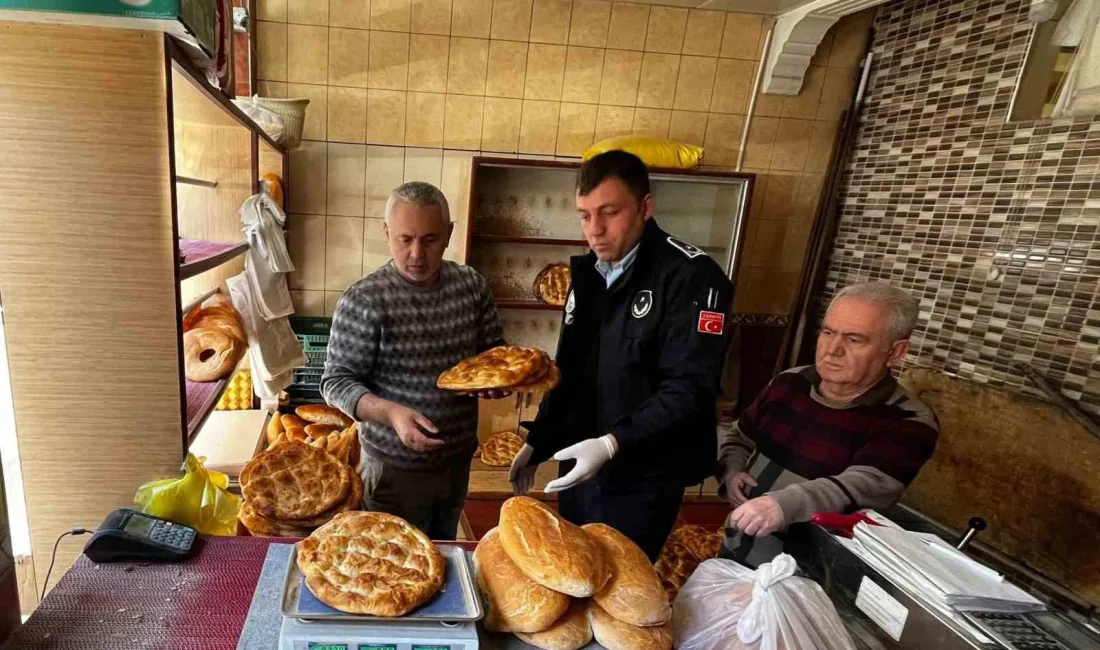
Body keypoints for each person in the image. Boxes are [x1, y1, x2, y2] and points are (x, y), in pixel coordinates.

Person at [508, 150, 734, 560]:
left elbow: (690, 388)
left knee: (619, 589)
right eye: (584, 215)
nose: (595, 230)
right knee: (574, 574)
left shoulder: (692, 277)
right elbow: (571, 372)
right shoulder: (589, 276)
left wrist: (612, 444)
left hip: (642, 476)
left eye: (609, 212)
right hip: (579, 465)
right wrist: (539, 442)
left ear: (645, 207)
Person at [320, 181, 505, 540]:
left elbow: (492, 355)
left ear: (449, 234)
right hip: (393, 471)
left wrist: (497, 384)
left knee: (443, 556)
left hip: (456, 462)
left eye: (430, 239)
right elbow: (336, 382)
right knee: (393, 569)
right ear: (386, 232)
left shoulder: (470, 286)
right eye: (405, 239)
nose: (417, 253)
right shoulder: (365, 300)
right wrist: (391, 413)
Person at [716, 282, 939, 566]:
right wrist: (732, 471)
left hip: (812, 577)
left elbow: (860, 486)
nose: (832, 350)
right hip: (738, 550)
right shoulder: (789, 383)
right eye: (828, 332)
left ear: (895, 353)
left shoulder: (908, 421)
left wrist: (782, 505)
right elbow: (741, 436)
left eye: (854, 339)